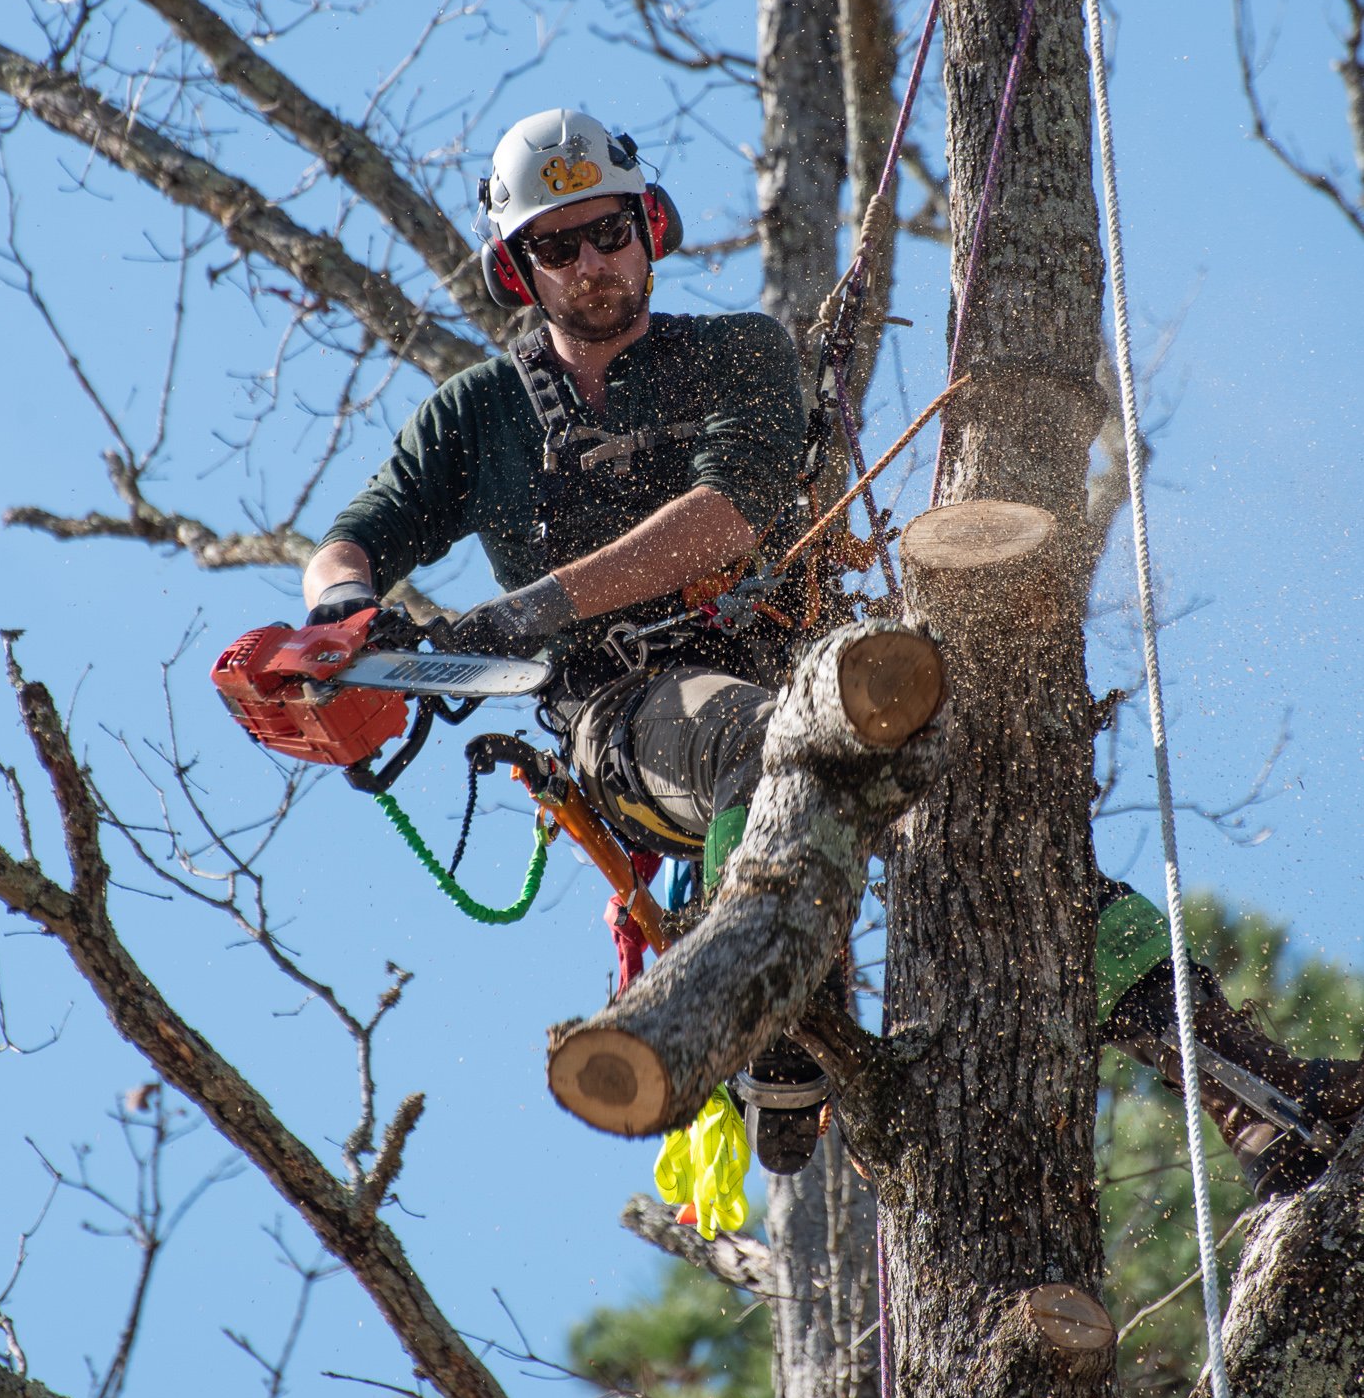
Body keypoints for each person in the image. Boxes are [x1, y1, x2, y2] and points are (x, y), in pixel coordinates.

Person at [302, 106, 1362, 1190]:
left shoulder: (735, 355)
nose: (589, 262)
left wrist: (514, 611)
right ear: (518, 269)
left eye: (605, 231)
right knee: (749, 737)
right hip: (626, 717)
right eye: (555, 245)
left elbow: (727, 514)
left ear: (646, 224)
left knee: (1001, 823)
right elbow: (356, 534)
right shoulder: (475, 415)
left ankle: (1242, 1081)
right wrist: (342, 616)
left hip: (822, 677)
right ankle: (777, 1025)